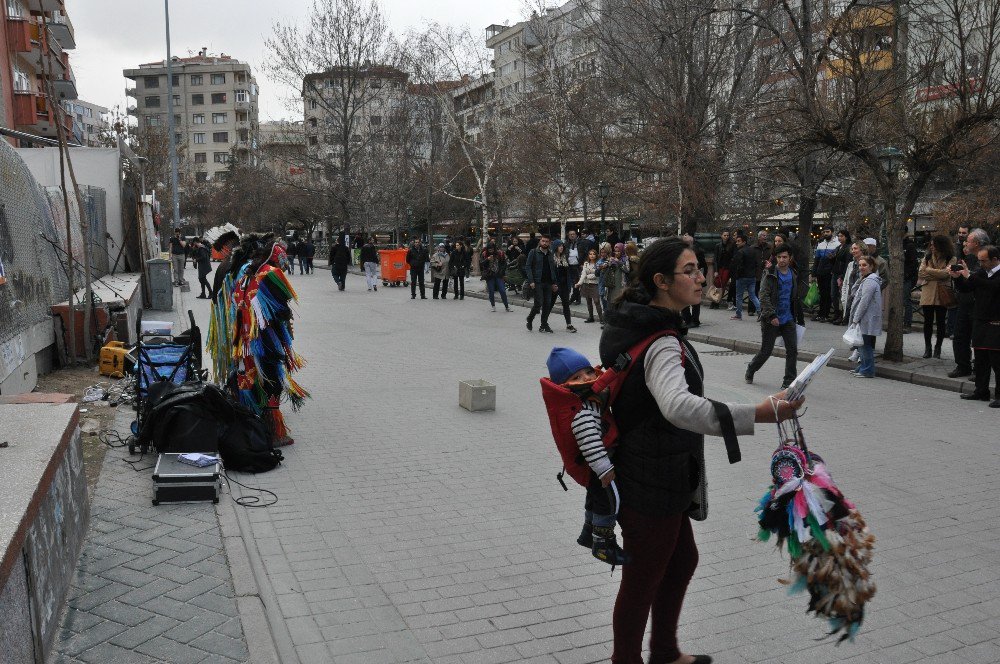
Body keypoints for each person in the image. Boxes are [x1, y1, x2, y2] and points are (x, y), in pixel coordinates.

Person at [598, 237, 804, 664]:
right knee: (642, 578)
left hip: (657, 469)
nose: (700, 277)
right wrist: (761, 413)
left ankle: (666, 651)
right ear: (660, 281)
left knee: (680, 559)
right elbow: (677, 407)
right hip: (649, 475)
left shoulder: (647, 325)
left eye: (699, 268)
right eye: (689, 270)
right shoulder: (660, 341)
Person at [546, 347, 627, 566]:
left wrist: (618, 368)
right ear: (564, 385)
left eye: (588, 372)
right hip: (598, 466)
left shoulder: (585, 396)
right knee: (611, 502)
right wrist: (605, 470)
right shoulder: (582, 411)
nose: (586, 378)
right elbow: (589, 442)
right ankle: (602, 545)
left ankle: (587, 533)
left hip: (594, 466)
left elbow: (605, 387)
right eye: (576, 377)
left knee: (594, 500)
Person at [745, 244, 804, 389]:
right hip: (771, 319)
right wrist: (771, 315)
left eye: (785, 257)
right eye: (779, 257)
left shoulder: (793, 272)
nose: (782, 260)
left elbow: (794, 297)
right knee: (766, 351)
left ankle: (789, 381)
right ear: (776, 258)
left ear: (790, 258)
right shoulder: (770, 273)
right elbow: (763, 296)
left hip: (788, 318)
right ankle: (751, 368)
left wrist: (799, 318)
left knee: (792, 350)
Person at [955, 244, 1000, 406]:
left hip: (996, 322)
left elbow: (993, 287)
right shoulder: (981, 273)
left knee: (996, 360)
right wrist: (958, 277)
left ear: (995, 259)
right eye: (979, 261)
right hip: (980, 320)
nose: (980, 264)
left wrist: (970, 276)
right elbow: (966, 288)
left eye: (984, 261)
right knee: (980, 359)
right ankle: (981, 391)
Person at [950, 228, 990, 377]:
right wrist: (957, 276)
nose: (965, 242)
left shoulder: (987, 257)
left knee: (978, 338)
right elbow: (965, 280)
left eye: (969, 240)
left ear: (977, 243)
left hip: (979, 304)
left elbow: (983, 280)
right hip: (965, 301)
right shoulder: (966, 254)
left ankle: (978, 369)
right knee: (960, 335)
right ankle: (962, 365)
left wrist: (967, 275)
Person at [917, 234, 957, 359]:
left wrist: (929, 270)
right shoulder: (927, 256)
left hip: (942, 293)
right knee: (927, 322)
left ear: (942, 245)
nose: (932, 246)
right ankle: (927, 348)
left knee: (940, 323)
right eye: (931, 244)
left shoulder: (951, 258)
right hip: (928, 292)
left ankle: (938, 348)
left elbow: (946, 274)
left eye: (934, 244)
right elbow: (921, 272)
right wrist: (936, 273)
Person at [849, 256, 883, 378]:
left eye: (864, 265)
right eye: (860, 265)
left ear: (871, 266)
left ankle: (867, 370)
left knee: (864, 346)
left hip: (866, 318)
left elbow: (864, 302)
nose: (861, 268)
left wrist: (856, 318)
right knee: (862, 345)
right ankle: (862, 367)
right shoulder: (868, 279)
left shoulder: (870, 281)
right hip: (867, 318)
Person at [525, 235, 559, 332]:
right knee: (538, 303)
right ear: (540, 241)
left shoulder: (551, 254)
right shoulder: (533, 252)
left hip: (548, 282)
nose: (544, 243)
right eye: (543, 241)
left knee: (547, 304)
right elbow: (528, 267)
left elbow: (552, 269)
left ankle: (544, 324)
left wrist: (554, 283)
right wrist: (531, 281)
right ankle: (530, 319)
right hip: (537, 282)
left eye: (547, 241)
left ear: (549, 243)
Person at [547, 242, 578, 333]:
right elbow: (550, 273)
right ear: (555, 247)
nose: (561, 247)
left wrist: (569, 285)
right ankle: (544, 323)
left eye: (562, 246)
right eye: (559, 246)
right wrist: (553, 284)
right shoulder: (551, 259)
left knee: (566, 305)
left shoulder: (564, 258)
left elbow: (567, 273)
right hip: (555, 285)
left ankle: (569, 325)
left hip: (564, 285)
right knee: (550, 304)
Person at [811, 227, 840, 322]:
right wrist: (814, 273)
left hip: (830, 273)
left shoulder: (837, 245)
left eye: (828, 232)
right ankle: (821, 313)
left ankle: (826, 314)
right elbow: (816, 260)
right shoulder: (820, 245)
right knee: (822, 293)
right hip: (820, 272)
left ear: (832, 232)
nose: (826, 234)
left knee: (828, 294)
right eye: (824, 232)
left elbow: (836, 261)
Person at [731, 233, 760, 321]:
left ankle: (738, 314)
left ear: (744, 242)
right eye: (737, 241)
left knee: (739, 296)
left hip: (742, 277)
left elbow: (738, 265)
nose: (737, 243)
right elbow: (756, 264)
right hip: (752, 276)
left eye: (739, 241)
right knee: (753, 296)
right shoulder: (753, 250)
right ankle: (760, 312)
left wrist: (737, 275)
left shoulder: (740, 252)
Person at [681, 235, 706, 327]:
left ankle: (688, 319)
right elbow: (704, 266)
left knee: (685, 299)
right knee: (695, 300)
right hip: (694, 278)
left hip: (689, 278)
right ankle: (694, 320)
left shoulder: (683, 252)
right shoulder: (699, 250)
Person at [576, 248, 604, 325]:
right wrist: (579, 283)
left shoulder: (599, 263)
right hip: (586, 284)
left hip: (595, 284)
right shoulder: (586, 263)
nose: (592, 255)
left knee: (596, 301)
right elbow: (583, 274)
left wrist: (588, 276)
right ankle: (591, 317)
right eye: (590, 254)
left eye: (593, 254)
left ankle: (601, 319)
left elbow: (597, 275)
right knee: (588, 301)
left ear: (596, 255)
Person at [839, 241, 865, 326]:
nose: (853, 251)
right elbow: (846, 282)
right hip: (850, 300)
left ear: (862, 250)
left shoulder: (868, 264)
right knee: (851, 329)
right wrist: (843, 299)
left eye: (855, 248)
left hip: (860, 299)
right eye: (852, 249)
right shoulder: (851, 264)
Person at [481, 241, 511, 312]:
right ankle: (493, 306)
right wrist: (487, 259)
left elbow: (505, 263)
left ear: (494, 248)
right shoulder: (484, 254)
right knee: (491, 291)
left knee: (502, 290)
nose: (491, 251)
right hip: (489, 275)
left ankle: (506, 306)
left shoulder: (500, 253)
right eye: (489, 250)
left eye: (492, 249)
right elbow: (481, 264)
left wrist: (502, 272)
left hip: (498, 275)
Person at [830, 230, 853, 324]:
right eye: (838, 236)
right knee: (833, 294)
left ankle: (843, 316)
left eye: (842, 236)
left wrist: (843, 276)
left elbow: (847, 262)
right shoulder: (839, 247)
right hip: (835, 272)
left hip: (842, 273)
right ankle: (836, 313)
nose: (839, 238)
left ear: (846, 237)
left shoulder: (848, 247)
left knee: (842, 295)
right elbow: (836, 260)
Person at [566, 230, 594, 304]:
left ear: (576, 235)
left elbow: (586, 253)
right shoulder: (567, 243)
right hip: (569, 265)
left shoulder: (582, 242)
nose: (572, 235)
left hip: (578, 265)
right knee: (573, 282)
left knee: (576, 282)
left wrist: (584, 263)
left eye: (573, 234)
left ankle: (573, 297)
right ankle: (577, 298)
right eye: (570, 234)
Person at [711, 231, 734, 310]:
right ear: (721, 236)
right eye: (724, 235)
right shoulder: (718, 246)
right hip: (720, 268)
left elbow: (732, 258)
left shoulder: (731, 245)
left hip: (727, 268)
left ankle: (717, 301)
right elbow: (715, 259)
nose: (726, 236)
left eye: (727, 235)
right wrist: (716, 270)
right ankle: (713, 301)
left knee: (722, 285)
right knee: (716, 283)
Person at [902, 235, 919, 332]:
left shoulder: (909, 246)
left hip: (907, 277)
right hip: (902, 276)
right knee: (901, 300)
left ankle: (907, 324)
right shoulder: (900, 244)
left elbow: (913, 263)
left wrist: (908, 275)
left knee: (906, 300)